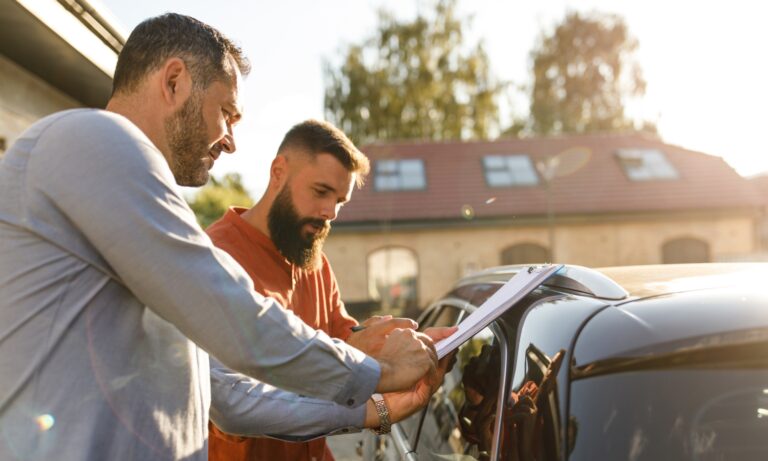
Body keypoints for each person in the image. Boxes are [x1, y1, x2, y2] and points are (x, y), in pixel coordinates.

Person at [0, 13, 438, 461]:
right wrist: (377, 372)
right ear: (174, 82)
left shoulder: (132, 207)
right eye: (226, 113)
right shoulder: (91, 139)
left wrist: (375, 410)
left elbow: (229, 397)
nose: (230, 141)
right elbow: (234, 314)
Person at [204, 120, 455, 460]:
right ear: (279, 171)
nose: (330, 213)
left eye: (340, 200)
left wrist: (412, 348)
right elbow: (238, 397)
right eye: (321, 192)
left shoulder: (314, 261)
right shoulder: (215, 258)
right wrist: (376, 386)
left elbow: (344, 339)